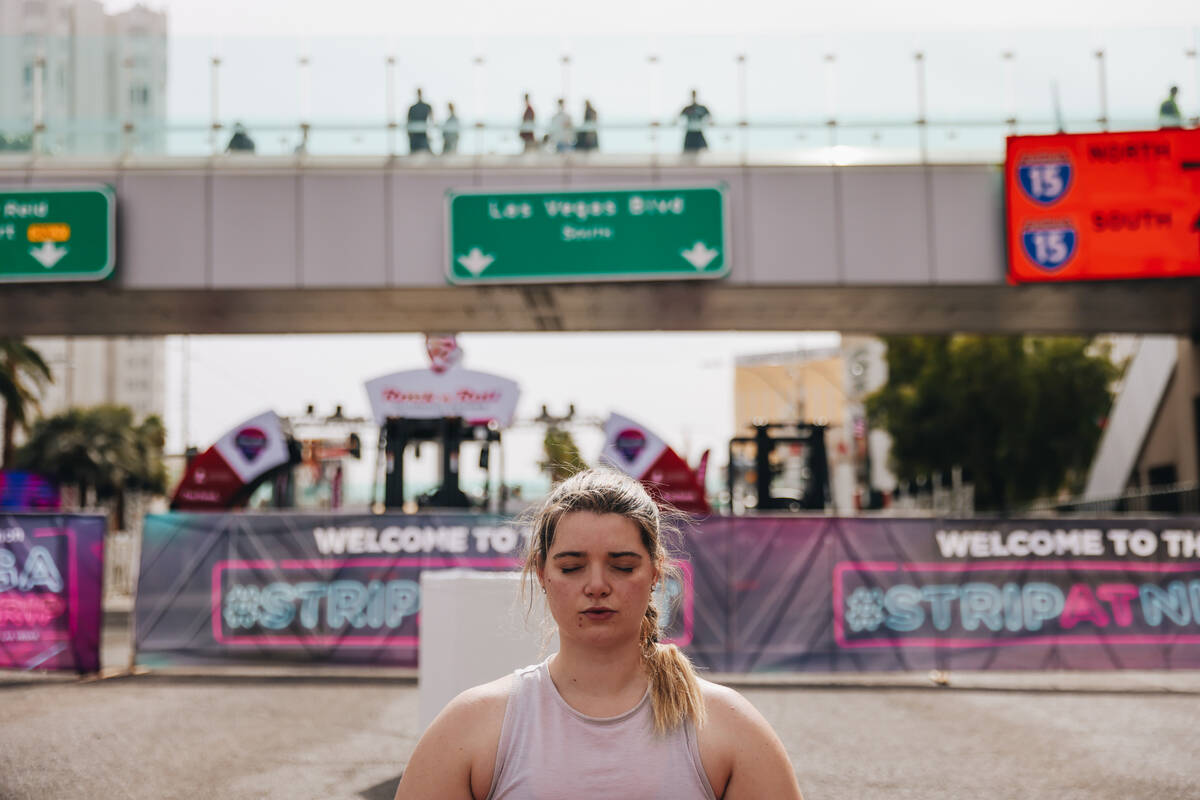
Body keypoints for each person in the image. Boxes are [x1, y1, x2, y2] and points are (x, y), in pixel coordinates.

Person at [394, 469, 805, 800]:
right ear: (542, 574)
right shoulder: (472, 726)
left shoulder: (728, 727)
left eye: (622, 566)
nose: (596, 585)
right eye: (571, 567)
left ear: (655, 572)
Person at [407, 88, 433, 154]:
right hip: (415, 136)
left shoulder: (426, 106)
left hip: (422, 135)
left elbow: (432, 120)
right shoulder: (412, 108)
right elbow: (408, 122)